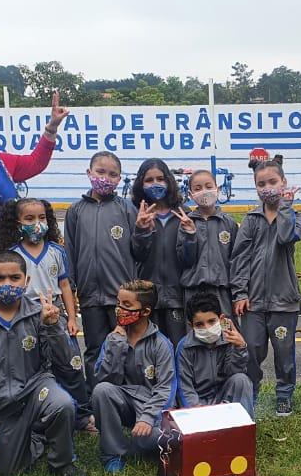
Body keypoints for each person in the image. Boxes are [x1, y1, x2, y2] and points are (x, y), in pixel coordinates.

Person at [0, 251, 86, 476]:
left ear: (26, 282)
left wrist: (53, 326)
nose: (7, 284)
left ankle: (63, 462)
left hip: (35, 389)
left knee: (63, 403)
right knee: (10, 470)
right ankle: (35, 438)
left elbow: (65, 361)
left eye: (15, 278)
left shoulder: (40, 313)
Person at [0, 196, 91, 432]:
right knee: (33, 364)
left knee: (70, 363)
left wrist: (71, 317)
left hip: (56, 311)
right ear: (17, 223)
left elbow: (66, 285)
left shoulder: (57, 252)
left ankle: (81, 414)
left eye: (41, 218)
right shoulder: (12, 254)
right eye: (29, 218)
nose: (36, 223)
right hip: (25, 315)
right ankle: (37, 416)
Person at [63, 151, 151, 383]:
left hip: (121, 298)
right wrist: (72, 287)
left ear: (120, 179)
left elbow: (140, 252)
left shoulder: (127, 209)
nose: (106, 178)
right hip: (89, 295)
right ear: (89, 173)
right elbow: (70, 252)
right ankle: (96, 401)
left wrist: (142, 230)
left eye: (112, 175)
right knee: (94, 349)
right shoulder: (75, 211)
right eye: (100, 172)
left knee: (126, 346)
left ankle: (130, 396)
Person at [231, 160, 301, 417]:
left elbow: (285, 237)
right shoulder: (251, 219)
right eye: (261, 184)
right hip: (253, 302)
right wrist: (240, 292)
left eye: (272, 182)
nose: (267, 188)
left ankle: (284, 394)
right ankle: (251, 392)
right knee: (251, 351)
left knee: (285, 354)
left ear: (283, 183)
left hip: (284, 300)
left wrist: (285, 206)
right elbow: (239, 258)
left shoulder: (296, 217)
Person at [91, 280, 176, 474]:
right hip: (124, 402)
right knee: (101, 391)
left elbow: (166, 388)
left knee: (146, 440)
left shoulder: (161, 344)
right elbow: (104, 380)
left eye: (127, 305)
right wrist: (117, 345)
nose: (119, 309)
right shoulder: (113, 338)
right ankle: (113, 454)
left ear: (145, 311)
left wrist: (147, 418)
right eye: (118, 302)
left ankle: (149, 443)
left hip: (151, 407)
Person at [130, 158, 191, 343]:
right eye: (149, 180)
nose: (155, 184)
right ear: (141, 183)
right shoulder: (134, 212)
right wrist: (141, 230)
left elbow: (189, 259)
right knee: (149, 349)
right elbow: (137, 254)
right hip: (148, 296)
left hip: (177, 296)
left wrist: (190, 236)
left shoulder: (183, 213)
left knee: (178, 347)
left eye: (160, 178)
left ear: (169, 181)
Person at [176, 294, 255, 417]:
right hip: (198, 402)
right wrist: (196, 409)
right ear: (191, 325)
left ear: (221, 319)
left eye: (211, 321)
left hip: (223, 397)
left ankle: (244, 427)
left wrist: (240, 348)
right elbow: (184, 387)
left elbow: (234, 373)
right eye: (199, 324)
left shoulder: (229, 338)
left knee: (241, 380)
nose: (207, 328)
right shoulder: (184, 348)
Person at [178, 169, 239, 316]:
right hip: (194, 289)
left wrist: (238, 292)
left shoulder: (228, 223)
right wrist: (191, 234)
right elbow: (185, 260)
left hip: (222, 290)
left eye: (208, 186)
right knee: (196, 334)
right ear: (191, 195)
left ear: (217, 190)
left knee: (225, 333)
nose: (204, 191)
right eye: (198, 189)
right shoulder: (185, 222)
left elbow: (236, 259)